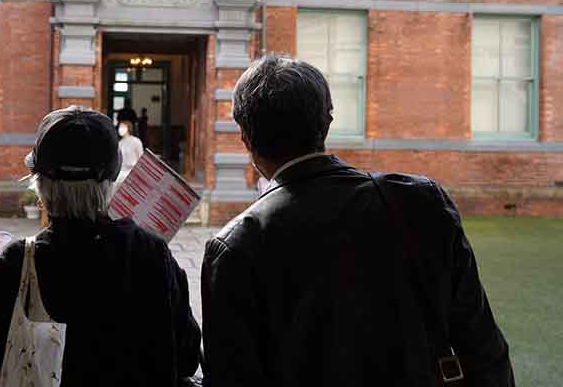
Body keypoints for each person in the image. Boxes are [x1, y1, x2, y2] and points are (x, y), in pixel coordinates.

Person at [201, 55, 514, 387]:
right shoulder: (420, 202)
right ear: (328, 120)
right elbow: (482, 347)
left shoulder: (234, 248)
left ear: (245, 137)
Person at [0, 106, 201, 386]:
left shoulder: (15, 263)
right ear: (111, 182)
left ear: (40, 185)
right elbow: (186, 356)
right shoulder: (151, 253)